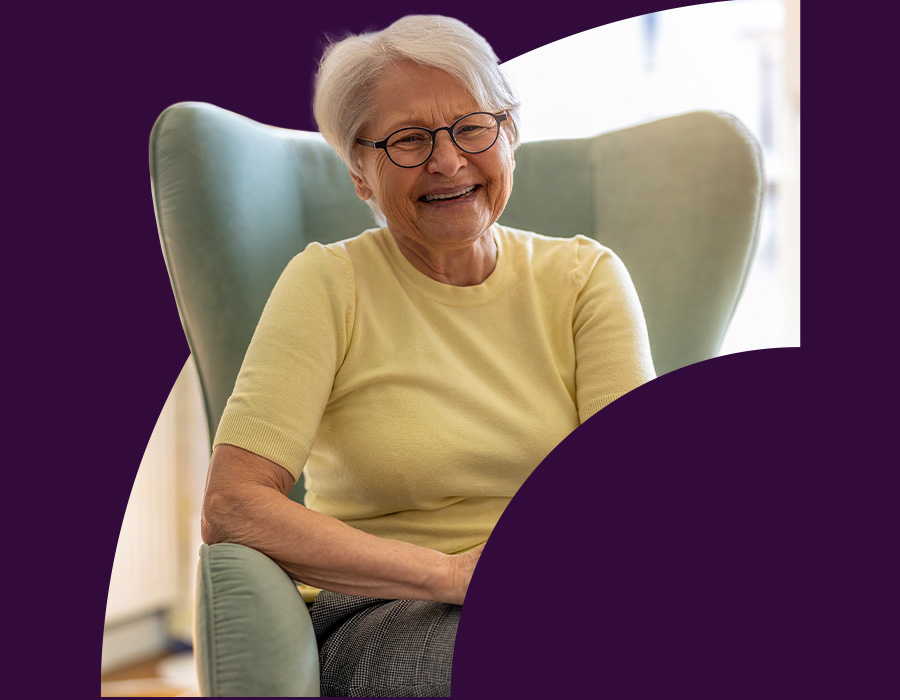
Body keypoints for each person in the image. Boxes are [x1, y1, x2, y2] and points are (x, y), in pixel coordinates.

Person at [201, 14, 656, 697]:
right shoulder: (329, 284)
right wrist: (450, 575)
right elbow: (232, 505)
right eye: (408, 140)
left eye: (473, 126)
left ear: (510, 135)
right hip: (386, 610)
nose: (448, 161)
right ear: (359, 172)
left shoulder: (584, 279)